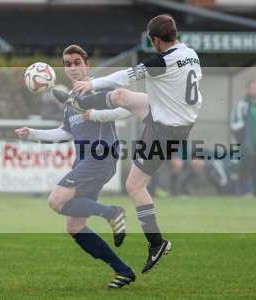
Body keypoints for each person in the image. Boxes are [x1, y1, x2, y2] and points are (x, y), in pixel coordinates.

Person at [54, 14, 202, 274]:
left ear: (155, 40)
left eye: (151, 40)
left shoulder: (163, 61)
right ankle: (83, 103)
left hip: (164, 129)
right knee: (122, 97)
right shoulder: (189, 52)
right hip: (171, 116)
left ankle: (156, 243)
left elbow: (127, 75)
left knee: (135, 185)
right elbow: (125, 91)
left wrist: (91, 83)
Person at [15, 45, 135, 288]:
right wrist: (33, 133)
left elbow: (128, 110)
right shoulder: (70, 100)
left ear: (87, 65)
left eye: (77, 62)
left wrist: (97, 115)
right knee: (74, 225)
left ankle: (112, 212)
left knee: (55, 201)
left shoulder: (101, 88)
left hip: (100, 156)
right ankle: (123, 271)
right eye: (67, 64)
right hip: (85, 160)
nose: (72, 67)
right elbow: (64, 133)